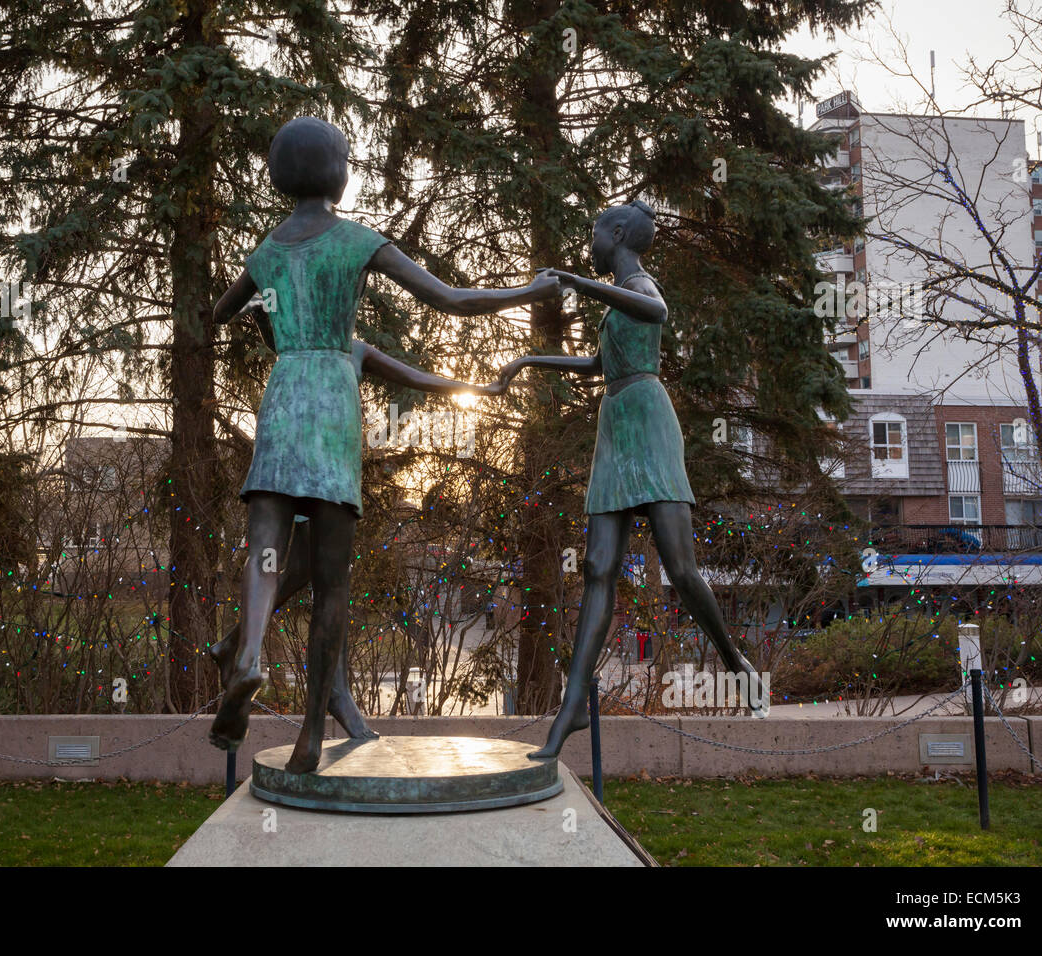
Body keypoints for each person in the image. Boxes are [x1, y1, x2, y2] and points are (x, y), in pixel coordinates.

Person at [211, 116, 560, 772]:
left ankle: (249, 653)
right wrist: (531, 289)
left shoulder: (265, 251)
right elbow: (451, 300)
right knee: (330, 585)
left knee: (264, 548)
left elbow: (222, 312)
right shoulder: (357, 241)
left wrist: (263, 312)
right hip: (333, 406)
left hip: (285, 396)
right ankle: (313, 734)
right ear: (335, 172)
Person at [496, 199, 764, 760]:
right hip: (615, 425)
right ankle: (571, 710)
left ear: (616, 233)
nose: (590, 239)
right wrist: (528, 362)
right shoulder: (618, 300)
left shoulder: (643, 286)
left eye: (596, 230)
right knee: (597, 568)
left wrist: (572, 281)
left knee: (682, 569)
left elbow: (657, 312)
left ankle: (734, 660)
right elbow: (597, 367)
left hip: (647, 415)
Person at [208, 303, 508, 741]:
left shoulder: (355, 351)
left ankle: (250, 651)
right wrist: (261, 311)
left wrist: (474, 388)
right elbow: (273, 335)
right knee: (317, 578)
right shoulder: (313, 350)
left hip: (329, 466)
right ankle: (320, 688)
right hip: (303, 466)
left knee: (316, 574)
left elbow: (415, 375)